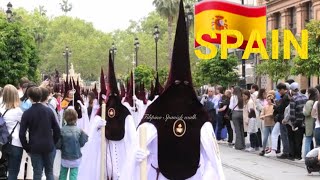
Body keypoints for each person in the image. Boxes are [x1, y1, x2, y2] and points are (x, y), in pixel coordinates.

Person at [120, 1, 225, 179]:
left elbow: (212, 158)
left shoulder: (199, 115)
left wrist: (208, 173)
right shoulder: (156, 112)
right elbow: (142, 141)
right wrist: (137, 154)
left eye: (184, 85)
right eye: (177, 85)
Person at [78, 53, 136, 180]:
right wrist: (98, 128)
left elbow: (133, 137)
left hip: (122, 153)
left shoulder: (125, 112)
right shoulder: (100, 113)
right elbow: (92, 136)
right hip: (105, 152)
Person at [19, 87, 60, 180]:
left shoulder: (27, 113)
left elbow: (22, 134)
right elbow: (57, 129)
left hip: (35, 146)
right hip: (49, 145)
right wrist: (53, 142)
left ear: (29, 97)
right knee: (49, 172)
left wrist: (27, 148)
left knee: (37, 173)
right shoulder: (49, 111)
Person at [56, 109, 88, 180]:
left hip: (64, 157)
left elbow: (58, 145)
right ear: (76, 118)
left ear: (65, 118)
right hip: (76, 157)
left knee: (63, 175)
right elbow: (82, 143)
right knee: (73, 176)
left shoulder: (61, 130)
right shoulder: (79, 131)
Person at [0, 85, 24, 180]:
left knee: (3, 170)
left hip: (2, 144)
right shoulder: (18, 111)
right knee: (13, 172)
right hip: (15, 143)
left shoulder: (1, 109)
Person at [284, 82, 307, 160]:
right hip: (304, 121)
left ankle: (296, 155)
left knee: (295, 140)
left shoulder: (293, 99)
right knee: (301, 140)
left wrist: (293, 124)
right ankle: (300, 155)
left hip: (297, 122)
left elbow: (292, 113)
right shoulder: (305, 97)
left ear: (292, 90)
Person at [273, 83, 292, 160]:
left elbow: (281, 109)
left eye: (280, 90)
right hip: (283, 119)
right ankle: (287, 151)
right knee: (284, 136)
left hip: (283, 119)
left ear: (284, 89)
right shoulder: (286, 97)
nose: (279, 91)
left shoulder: (285, 98)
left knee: (284, 136)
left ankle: (286, 152)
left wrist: (275, 106)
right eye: (278, 90)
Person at [303, 88, 318, 159]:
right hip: (316, 124)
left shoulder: (309, 102)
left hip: (309, 124)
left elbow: (306, 113)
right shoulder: (316, 101)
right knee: (316, 142)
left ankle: (307, 157)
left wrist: (303, 110)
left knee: (308, 140)